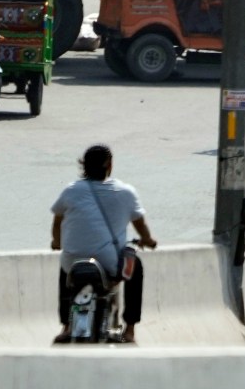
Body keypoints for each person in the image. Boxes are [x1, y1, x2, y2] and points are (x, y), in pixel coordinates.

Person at [50, 144, 157, 343]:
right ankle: (130, 329)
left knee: (66, 267)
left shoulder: (71, 191)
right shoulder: (125, 192)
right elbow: (140, 225)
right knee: (137, 266)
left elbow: (57, 222)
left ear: (84, 165)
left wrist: (57, 242)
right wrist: (148, 241)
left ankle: (66, 326)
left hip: (73, 260)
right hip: (108, 262)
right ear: (109, 165)